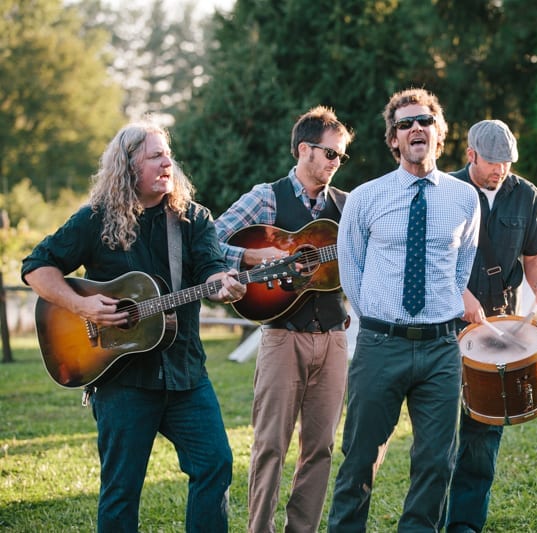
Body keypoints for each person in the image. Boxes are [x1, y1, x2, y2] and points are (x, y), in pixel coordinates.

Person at [21, 121, 246, 532]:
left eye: (168, 154)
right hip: (120, 379)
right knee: (122, 490)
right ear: (128, 166)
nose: (167, 163)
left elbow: (213, 268)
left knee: (215, 464)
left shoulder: (192, 219)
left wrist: (221, 285)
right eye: (155, 155)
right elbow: (36, 268)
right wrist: (82, 305)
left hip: (185, 373)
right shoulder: (94, 220)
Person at [328, 88, 480, 531]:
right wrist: (378, 314)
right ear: (393, 139)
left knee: (436, 461)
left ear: (440, 134)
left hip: (440, 350)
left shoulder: (464, 199)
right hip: (381, 345)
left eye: (425, 122)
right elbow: (351, 268)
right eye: (405, 124)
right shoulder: (364, 198)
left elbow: (461, 267)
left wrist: (440, 310)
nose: (416, 128)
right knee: (359, 459)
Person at [214, 105, 353, 533]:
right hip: (281, 336)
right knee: (270, 444)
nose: (335, 163)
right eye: (330, 154)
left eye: (341, 157)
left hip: (332, 338)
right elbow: (210, 239)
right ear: (303, 150)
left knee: (321, 448)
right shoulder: (267, 197)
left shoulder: (348, 206)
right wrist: (253, 256)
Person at [444, 119, 537, 532]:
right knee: (439, 433)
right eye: (493, 161)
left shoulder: (526, 195)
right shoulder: (445, 191)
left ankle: (465, 525)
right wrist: (460, 294)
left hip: (499, 324)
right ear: (470, 154)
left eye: (507, 162)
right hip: (446, 322)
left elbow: (535, 252)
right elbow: (431, 257)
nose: (500, 170)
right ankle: (428, 519)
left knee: (482, 430)